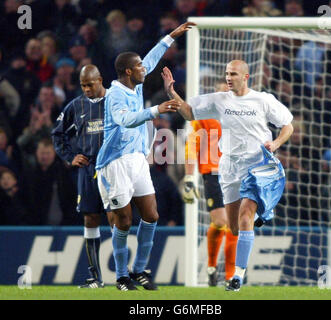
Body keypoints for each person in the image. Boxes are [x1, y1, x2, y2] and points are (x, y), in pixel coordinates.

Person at [162, 59, 293, 291]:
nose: (228, 78)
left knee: (245, 216)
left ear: (246, 77)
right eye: (226, 74)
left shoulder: (263, 100)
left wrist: (276, 142)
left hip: (256, 166)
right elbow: (189, 113)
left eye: (233, 74)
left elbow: (287, 126)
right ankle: (265, 211)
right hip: (229, 169)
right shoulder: (219, 100)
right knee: (234, 228)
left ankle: (237, 276)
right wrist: (172, 92)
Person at [95, 21, 195, 291]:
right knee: (124, 220)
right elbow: (126, 120)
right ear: (128, 71)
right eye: (139, 67)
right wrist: (156, 110)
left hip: (137, 158)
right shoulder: (115, 95)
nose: (144, 69)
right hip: (114, 163)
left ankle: (139, 270)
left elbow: (150, 58)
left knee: (151, 215)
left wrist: (171, 36)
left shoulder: (135, 84)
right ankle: (120, 276)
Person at [52, 65, 110, 289]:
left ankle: (124, 274)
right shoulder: (75, 106)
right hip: (88, 169)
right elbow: (57, 133)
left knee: (117, 219)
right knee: (90, 219)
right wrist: (70, 157)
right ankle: (96, 277)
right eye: (83, 85)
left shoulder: (114, 101)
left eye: (90, 84)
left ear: (100, 80)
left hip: (113, 168)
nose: (86, 89)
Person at [183, 79, 237, 286]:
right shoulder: (204, 118)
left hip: (236, 175)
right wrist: (189, 178)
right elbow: (191, 147)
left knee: (235, 226)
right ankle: (212, 266)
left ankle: (231, 277)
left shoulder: (241, 117)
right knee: (222, 222)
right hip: (213, 173)